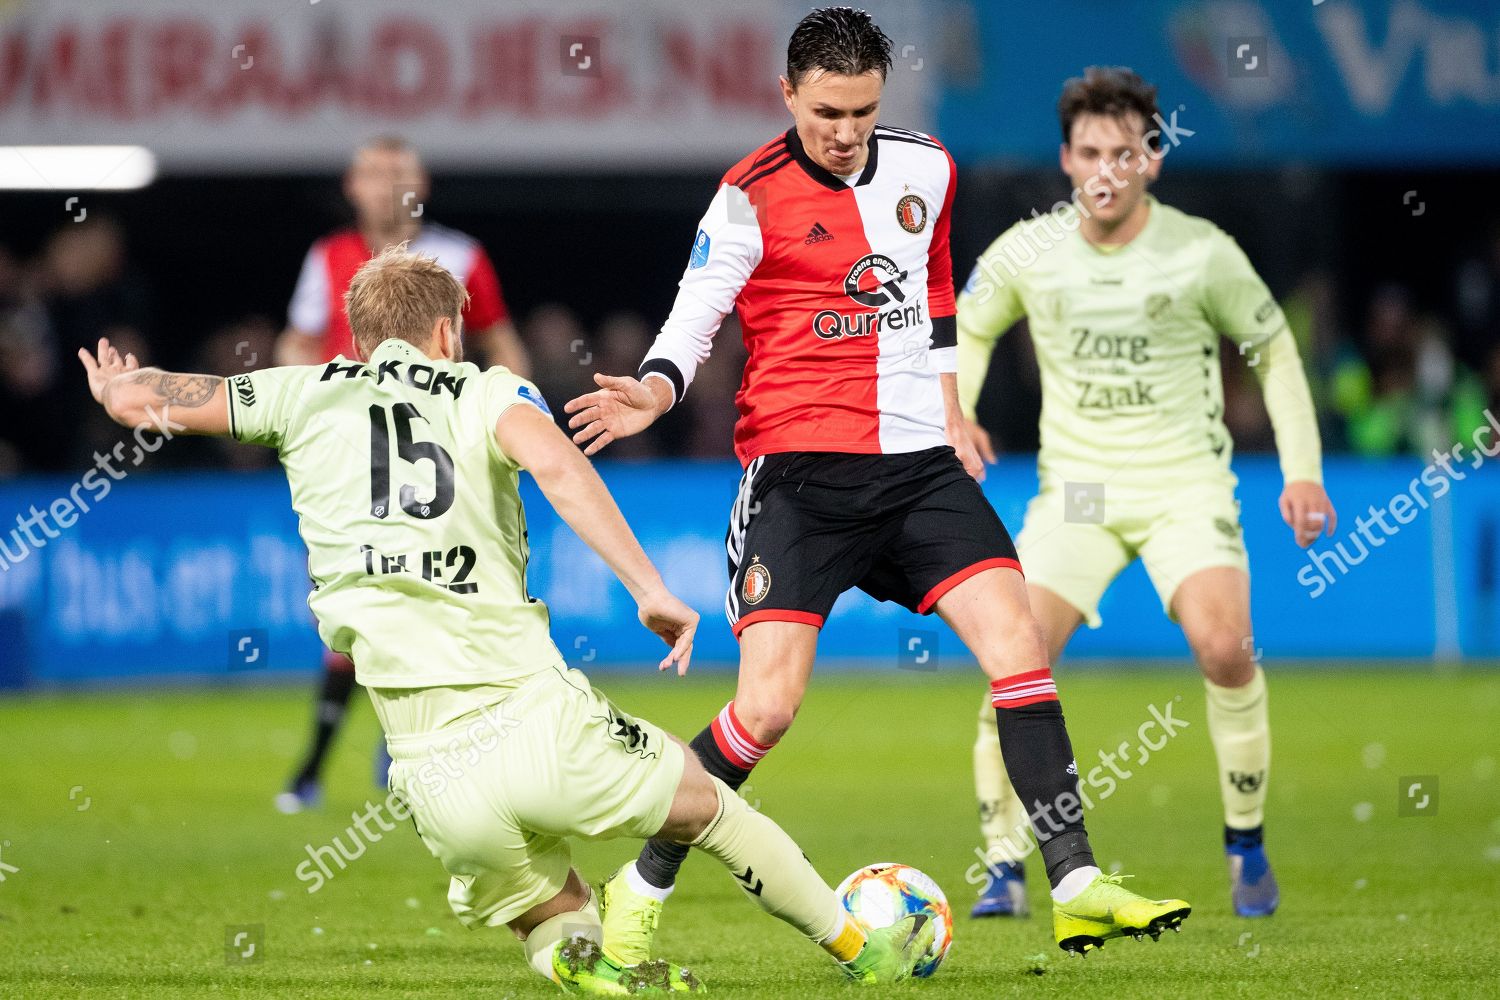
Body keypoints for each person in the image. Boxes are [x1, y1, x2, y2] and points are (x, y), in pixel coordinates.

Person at [77, 247, 933, 994]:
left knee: (544, 902)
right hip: (527, 708)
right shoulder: (485, 390)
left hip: (423, 767)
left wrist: (120, 390)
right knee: (708, 808)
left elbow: (169, 396)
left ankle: (574, 956)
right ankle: (866, 949)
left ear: (360, 336)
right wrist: (648, 586)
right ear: (448, 331)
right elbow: (556, 464)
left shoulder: (298, 394)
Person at [565, 8, 1189, 959]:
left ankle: (1075, 881)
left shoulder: (925, 167)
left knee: (1018, 645)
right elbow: (694, 320)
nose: (846, 132)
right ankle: (642, 882)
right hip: (800, 479)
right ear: (787, 96)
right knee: (767, 709)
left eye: (861, 111)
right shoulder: (744, 198)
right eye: (826, 113)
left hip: (920, 472)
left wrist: (948, 402)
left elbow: (934, 286)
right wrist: (654, 393)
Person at [956, 67, 1338, 919]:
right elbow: (968, 327)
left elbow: (1272, 352)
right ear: (1065, 158)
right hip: (1079, 494)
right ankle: (1002, 867)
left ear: (1152, 160)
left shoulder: (1201, 251)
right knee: (1011, 659)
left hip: (1181, 486)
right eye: (1089, 151)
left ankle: (1244, 845)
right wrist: (960, 412)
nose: (1104, 169)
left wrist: (1302, 467)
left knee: (1225, 648)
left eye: (1123, 153)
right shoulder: (1028, 251)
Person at [274, 135, 528, 813]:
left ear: (422, 183)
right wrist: (298, 403)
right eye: (374, 173)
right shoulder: (326, 258)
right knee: (357, 605)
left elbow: (501, 342)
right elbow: (296, 344)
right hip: (351, 459)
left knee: (428, 601)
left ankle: (384, 754)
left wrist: (513, 418)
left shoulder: (461, 256)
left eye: (399, 173)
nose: (387, 186)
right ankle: (337, 760)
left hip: (437, 460)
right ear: (352, 186)